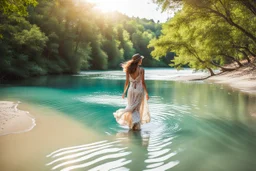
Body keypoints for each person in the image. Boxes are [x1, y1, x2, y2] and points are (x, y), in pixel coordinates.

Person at [113, 53, 150, 130]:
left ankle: (133, 124)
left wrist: (124, 92)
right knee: (136, 108)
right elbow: (143, 83)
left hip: (131, 90)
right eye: (141, 59)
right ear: (139, 60)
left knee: (131, 106)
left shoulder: (128, 69)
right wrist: (146, 93)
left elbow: (127, 82)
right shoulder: (141, 70)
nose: (141, 60)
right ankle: (135, 125)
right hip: (139, 90)